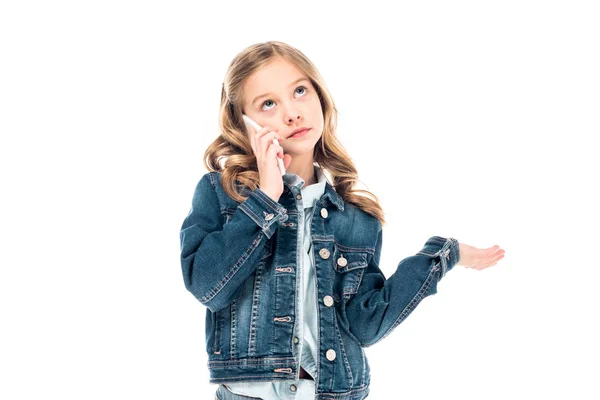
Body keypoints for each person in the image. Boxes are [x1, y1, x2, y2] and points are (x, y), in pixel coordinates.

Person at [179, 41, 505, 400]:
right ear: (244, 122)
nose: (292, 113)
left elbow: (365, 327)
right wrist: (265, 199)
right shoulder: (222, 193)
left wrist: (442, 257)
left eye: (300, 91)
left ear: (320, 97)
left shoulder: (358, 219)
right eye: (268, 104)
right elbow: (207, 286)